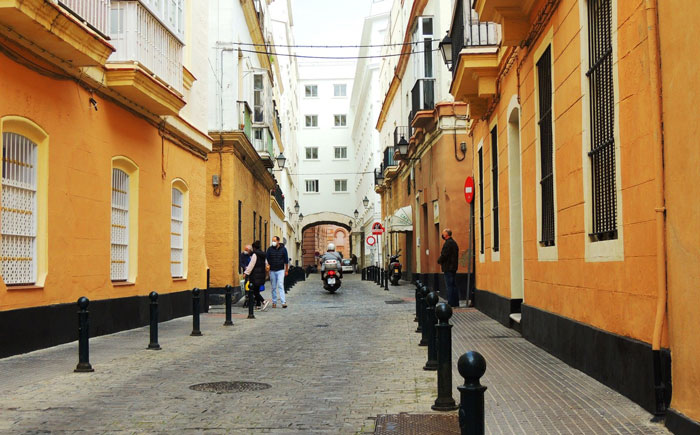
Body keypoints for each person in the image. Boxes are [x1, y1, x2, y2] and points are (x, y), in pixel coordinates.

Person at [243, 240, 269, 311]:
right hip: (261, 275)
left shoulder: (255, 255)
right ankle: (258, 305)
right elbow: (266, 264)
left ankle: (264, 301)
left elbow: (251, 265)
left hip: (255, 275)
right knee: (257, 290)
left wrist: (246, 273)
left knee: (254, 291)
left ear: (254, 247)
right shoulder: (263, 255)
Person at [437, 228, 460, 308]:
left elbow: (444, 255)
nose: (442, 235)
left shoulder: (448, 243)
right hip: (453, 267)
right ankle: (456, 302)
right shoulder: (454, 243)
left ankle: (450, 302)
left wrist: (439, 260)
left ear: (446, 235)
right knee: (453, 285)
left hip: (448, 267)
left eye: (443, 233)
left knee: (449, 286)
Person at [265, 236, 288, 308]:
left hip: (280, 270)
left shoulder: (283, 249)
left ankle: (283, 302)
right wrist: (267, 266)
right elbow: (267, 259)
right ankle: (274, 302)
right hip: (272, 270)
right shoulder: (270, 249)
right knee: (273, 287)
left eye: (274, 241)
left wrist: (286, 270)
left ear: (278, 241)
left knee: (281, 285)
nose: (273, 242)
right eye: (272, 241)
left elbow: (286, 261)